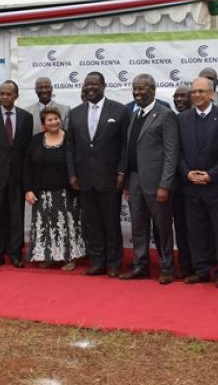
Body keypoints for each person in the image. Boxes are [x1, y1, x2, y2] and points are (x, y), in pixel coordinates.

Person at [66, 71, 130, 277]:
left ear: (104, 85)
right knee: (92, 223)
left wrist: (122, 171)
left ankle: (114, 263)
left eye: (94, 84)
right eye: (87, 84)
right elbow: (70, 147)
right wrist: (72, 174)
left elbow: (125, 145)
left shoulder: (120, 111)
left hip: (110, 178)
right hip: (84, 179)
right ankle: (97, 261)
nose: (90, 87)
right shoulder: (75, 113)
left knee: (111, 222)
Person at [119, 75, 179, 284]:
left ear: (153, 89)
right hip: (135, 180)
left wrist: (165, 184)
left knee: (161, 227)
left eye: (142, 89)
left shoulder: (165, 115)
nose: (137, 93)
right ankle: (141, 265)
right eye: (135, 89)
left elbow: (172, 154)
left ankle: (167, 267)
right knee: (138, 226)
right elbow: (130, 151)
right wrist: (127, 183)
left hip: (157, 183)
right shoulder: (133, 115)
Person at [177, 77, 218, 288]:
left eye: (201, 92)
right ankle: (201, 270)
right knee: (195, 231)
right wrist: (186, 173)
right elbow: (178, 152)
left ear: (211, 94)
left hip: (216, 186)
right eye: (193, 92)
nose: (196, 96)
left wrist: (212, 174)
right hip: (191, 186)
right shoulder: (182, 118)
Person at [0, 80, 33, 268]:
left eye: (9, 94)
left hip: (18, 176)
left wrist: (27, 181)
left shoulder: (26, 117)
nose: (4, 97)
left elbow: (26, 151)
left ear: (16, 96)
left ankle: (16, 253)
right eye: (2, 93)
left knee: (17, 216)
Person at [23, 107, 85, 269]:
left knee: (67, 225)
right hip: (42, 194)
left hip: (67, 193)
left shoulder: (70, 138)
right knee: (45, 226)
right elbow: (27, 167)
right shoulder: (36, 140)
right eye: (49, 120)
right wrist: (28, 190)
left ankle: (69, 258)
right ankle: (47, 255)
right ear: (43, 124)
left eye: (56, 118)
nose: (54, 122)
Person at [171, 85, 193, 277]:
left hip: (197, 183)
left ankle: (200, 264)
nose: (178, 100)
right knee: (181, 228)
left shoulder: (197, 118)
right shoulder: (172, 119)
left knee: (197, 227)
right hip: (177, 185)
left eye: (182, 96)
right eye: (175, 97)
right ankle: (185, 266)